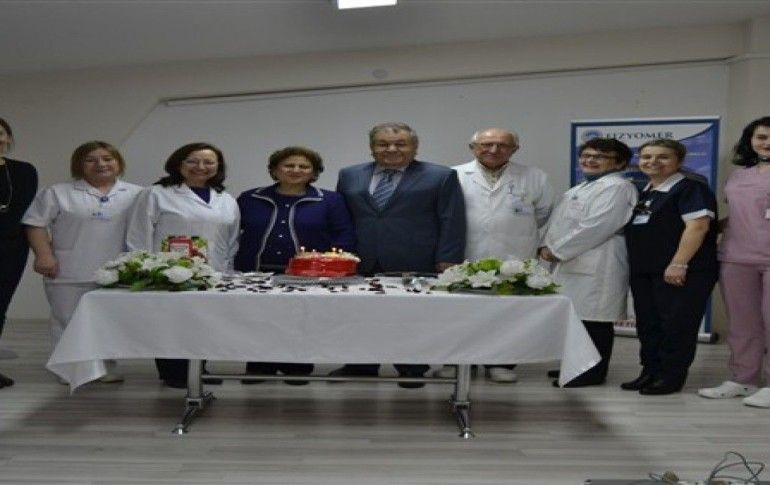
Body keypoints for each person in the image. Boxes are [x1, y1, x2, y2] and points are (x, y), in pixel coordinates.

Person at [330, 122, 466, 388]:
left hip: (415, 258)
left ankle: (412, 367)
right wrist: (339, 255)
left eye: (400, 144)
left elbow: (452, 219)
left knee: (410, 317)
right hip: (361, 257)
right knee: (359, 316)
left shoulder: (440, 176)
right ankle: (361, 366)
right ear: (372, 148)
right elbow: (341, 216)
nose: (391, 149)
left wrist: (448, 257)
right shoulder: (349, 175)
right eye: (383, 144)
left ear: (414, 147)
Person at [434, 128, 554, 383]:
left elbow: (543, 214)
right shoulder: (453, 175)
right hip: (465, 253)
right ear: (472, 148)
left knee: (507, 314)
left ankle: (501, 363)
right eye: (486, 144)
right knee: (459, 314)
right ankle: (457, 362)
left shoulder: (535, 177)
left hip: (514, 255)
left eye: (502, 145)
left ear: (515, 149)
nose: (494, 150)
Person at [234, 146, 355, 385]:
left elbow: (343, 234)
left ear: (314, 173)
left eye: (304, 166)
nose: (296, 170)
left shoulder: (330, 200)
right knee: (259, 320)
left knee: (302, 320)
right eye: (289, 165)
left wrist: (336, 265)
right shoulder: (250, 198)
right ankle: (259, 366)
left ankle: (298, 367)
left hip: (309, 274)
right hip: (257, 271)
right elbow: (233, 232)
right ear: (275, 170)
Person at [24, 141, 142, 384]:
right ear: (79, 165)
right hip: (70, 268)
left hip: (120, 270)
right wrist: (43, 255)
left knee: (108, 322)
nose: (100, 164)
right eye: (91, 160)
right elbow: (35, 224)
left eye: (107, 159)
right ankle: (71, 370)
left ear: (118, 163)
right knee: (68, 320)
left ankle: (104, 367)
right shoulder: (57, 192)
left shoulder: (138, 194)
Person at [126, 142, 240, 389]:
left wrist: (227, 271)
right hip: (168, 271)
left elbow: (231, 239)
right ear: (178, 164)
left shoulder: (225, 199)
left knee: (205, 321)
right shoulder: (156, 194)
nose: (201, 167)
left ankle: (199, 368)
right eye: (192, 161)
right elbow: (138, 234)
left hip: (214, 271)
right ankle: (174, 372)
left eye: (209, 162)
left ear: (218, 166)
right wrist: (143, 267)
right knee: (172, 323)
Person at [622, 139, 718, 395]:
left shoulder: (691, 189)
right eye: (647, 157)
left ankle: (670, 377)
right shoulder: (646, 191)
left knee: (676, 326)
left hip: (681, 271)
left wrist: (679, 263)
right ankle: (650, 371)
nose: (653, 162)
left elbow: (698, 226)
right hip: (646, 270)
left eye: (663, 157)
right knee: (649, 324)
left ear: (679, 161)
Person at [540, 138, 637, 387]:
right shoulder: (581, 188)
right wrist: (546, 246)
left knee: (594, 320)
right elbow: (559, 223)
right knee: (577, 319)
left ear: (619, 163)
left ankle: (591, 373)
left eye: (600, 156)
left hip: (599, 261)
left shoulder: (617, 187)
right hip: (574, 260)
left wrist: (557, 250)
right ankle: (575, 365)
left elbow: (597, 226)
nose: (590, 160)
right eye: (586, 155)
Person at [698, 116, 770, 408]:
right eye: (761, 137)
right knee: (742, 323)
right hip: (736, 257)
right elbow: (742, 215)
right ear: (750, 140)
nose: (767, 143)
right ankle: (743, 379)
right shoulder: (739, 176)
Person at [0, 117, 37, 389]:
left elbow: (23, 209)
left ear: (9, 138)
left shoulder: (23, 171)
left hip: (10, 248)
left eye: (0, 133)